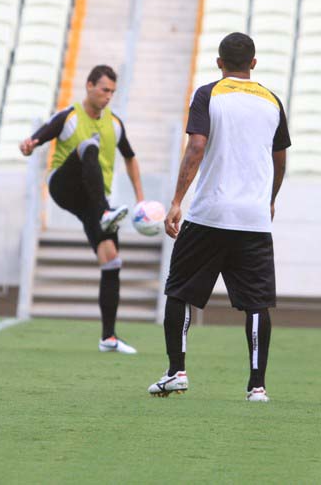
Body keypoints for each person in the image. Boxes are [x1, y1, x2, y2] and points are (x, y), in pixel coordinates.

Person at [147, 32, 290, 401]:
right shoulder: (272, 101)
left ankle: (176, 371)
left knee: (179, 291)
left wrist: (177, 200)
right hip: (253, 218)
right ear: (253, 64)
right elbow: (280, 157)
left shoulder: (209, 94)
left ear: (219, 63)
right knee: (257, 303)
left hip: (210, 212)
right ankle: (257, 386)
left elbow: (197, 145)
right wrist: (270, 199)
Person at [19, 65, 145, 353]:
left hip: (94, 198)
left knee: (112, 260)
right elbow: (41, 135)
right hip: (64, 187)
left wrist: (141, 199)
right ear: (89, 86)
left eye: (113, 91)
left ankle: (108, 338)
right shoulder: (70, 116)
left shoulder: (115, 124)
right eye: (104, 89)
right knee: (88, 146)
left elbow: (131, 158)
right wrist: (30, 144)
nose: (108, 96)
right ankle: (104, 213)